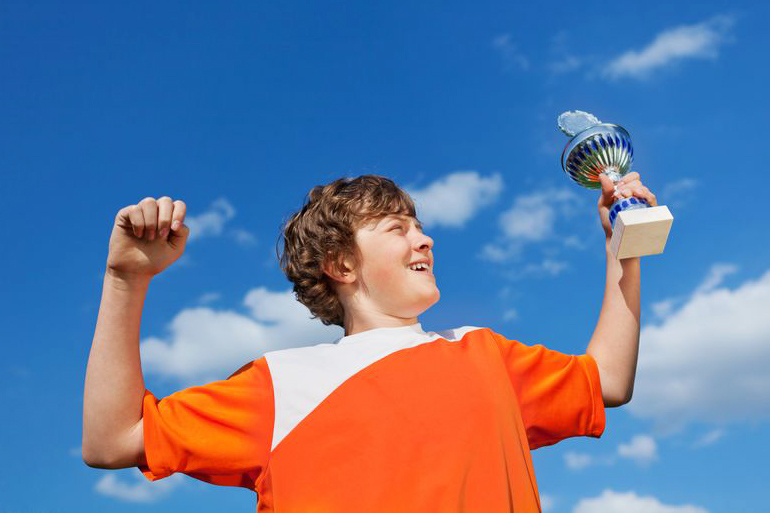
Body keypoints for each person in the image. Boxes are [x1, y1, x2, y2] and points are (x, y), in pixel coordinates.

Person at [82, 172, 656, 512]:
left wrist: (621, 252)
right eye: (397, 229)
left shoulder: (486, 355)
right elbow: (111, 441)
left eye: (420, 226)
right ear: (340, 265)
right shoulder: (281, 384)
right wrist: (125, 278)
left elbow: (607, 380)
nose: (425, 239)